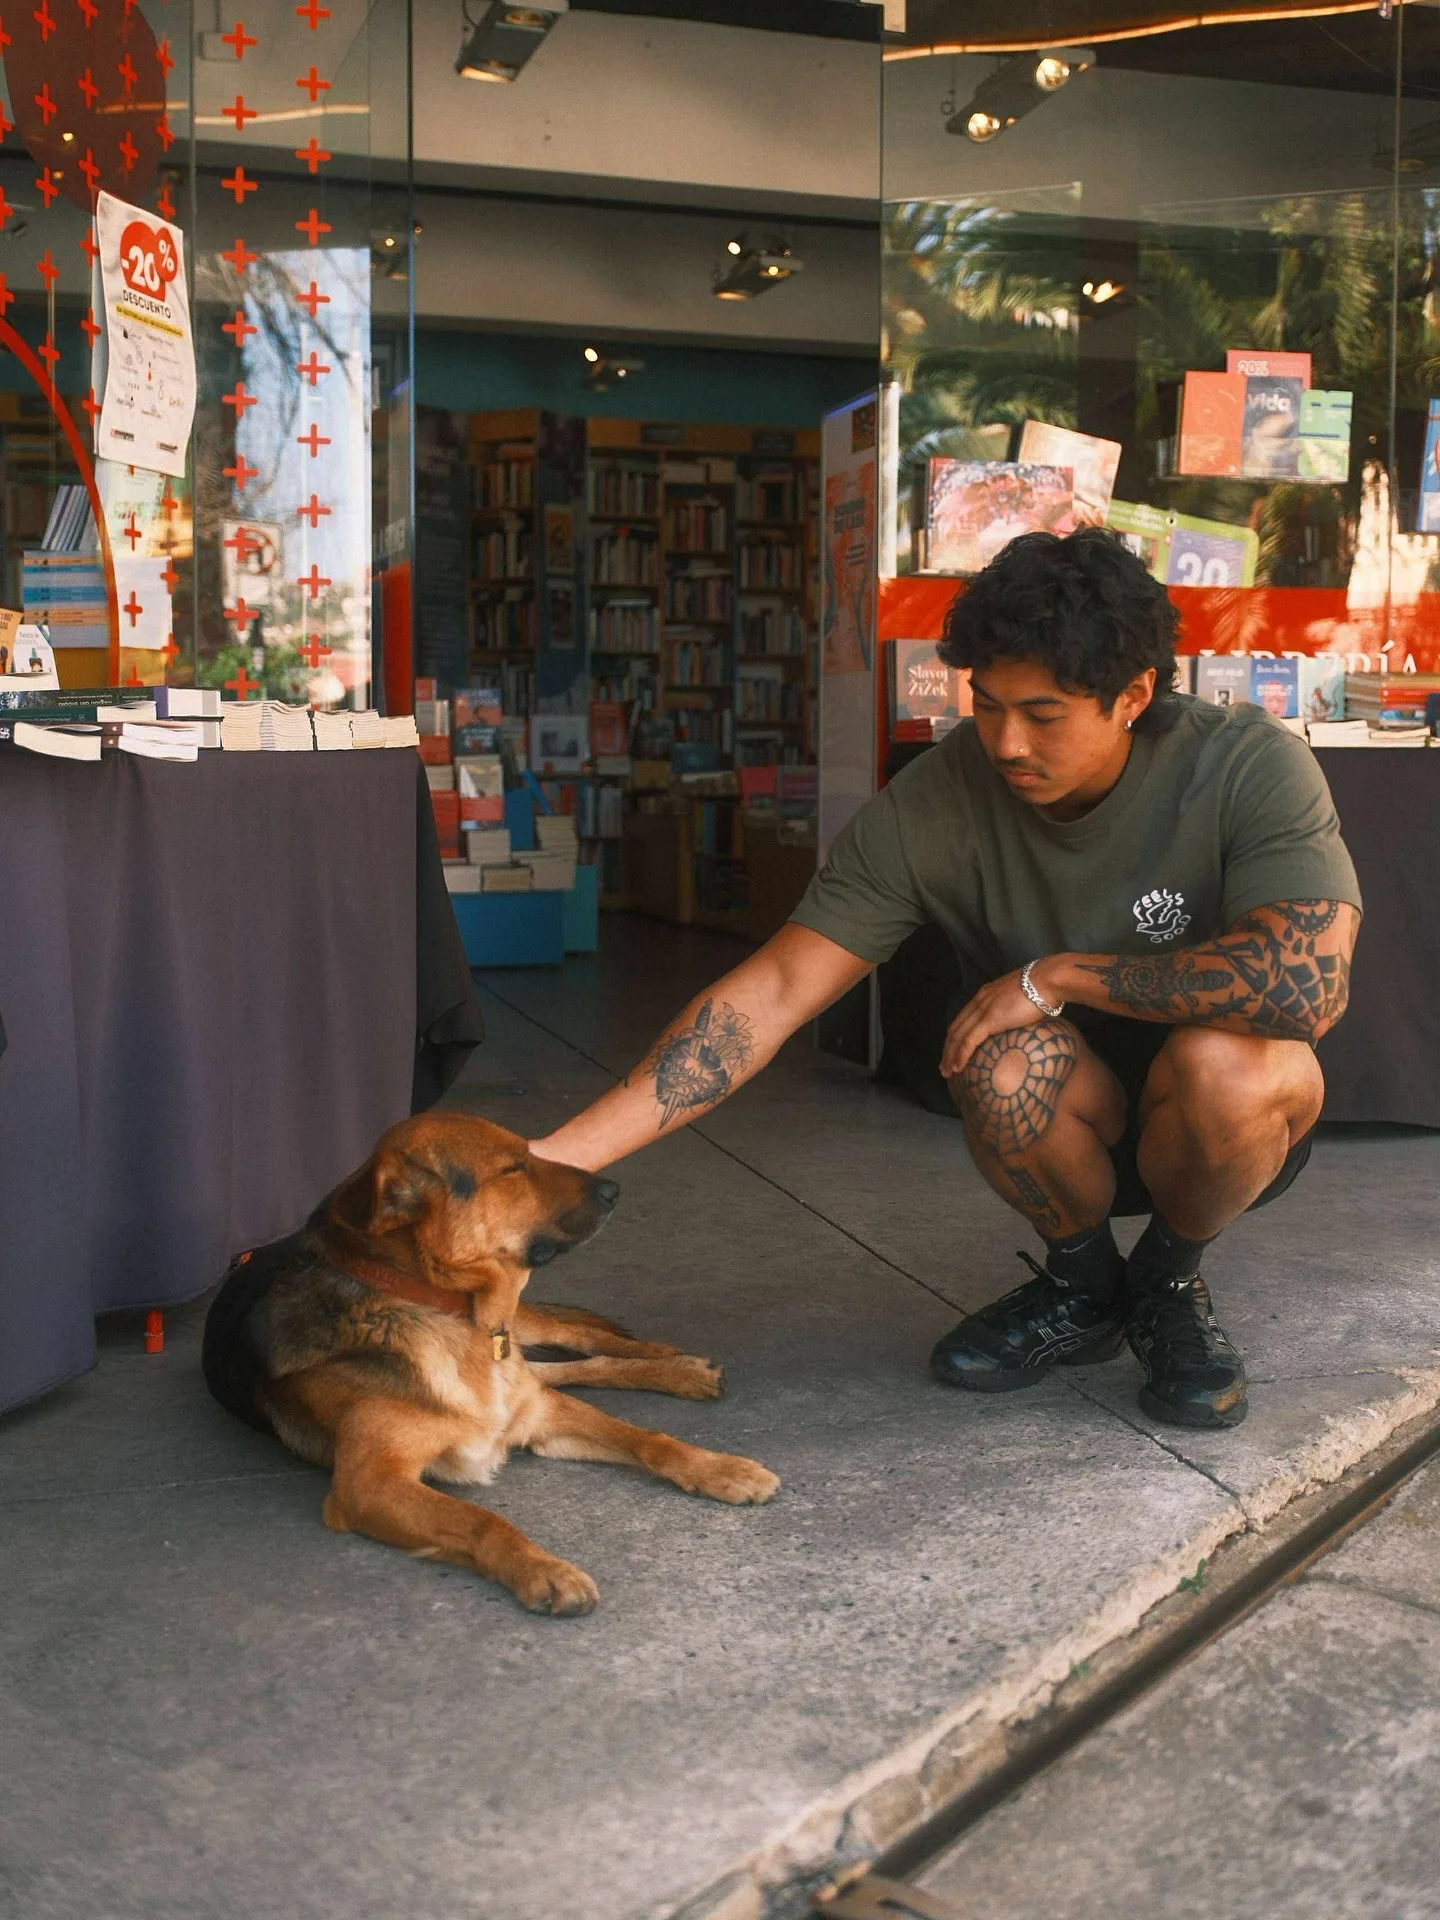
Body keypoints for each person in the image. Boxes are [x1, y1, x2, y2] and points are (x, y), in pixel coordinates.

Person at [533, 529, 1361, 1431]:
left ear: (1133, 696)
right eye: (988, 704)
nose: (1006, 742)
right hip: (1060, 1115)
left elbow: (1305, 988)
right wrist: (549, 1162)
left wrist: (1061, 976)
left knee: (1234, 1064)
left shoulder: (1246, 762)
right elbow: (770, 995)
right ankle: (1083, 1290)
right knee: (1003, 1061)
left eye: (1043, 715)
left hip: (1211, 1130)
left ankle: (1165, 1283)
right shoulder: (937, 799)